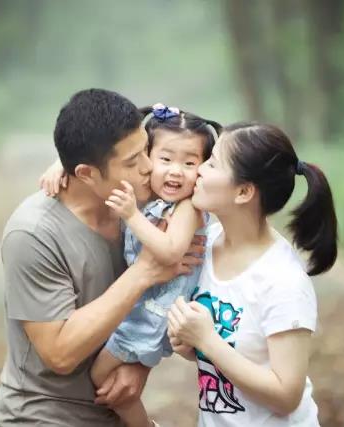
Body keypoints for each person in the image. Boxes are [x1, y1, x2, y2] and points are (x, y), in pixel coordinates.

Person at [0, 89, 204, 426]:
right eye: (133, 162)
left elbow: (201, 149)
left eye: (146, 151)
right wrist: (146, 270)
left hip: (113, 414)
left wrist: (138, 362)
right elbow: (60, 354)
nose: (150, 167)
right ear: (86, 174)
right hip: (44, 417)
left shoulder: (144, 203)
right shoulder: (33, 233)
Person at [39, 102, 222, 427]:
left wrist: (132, 215)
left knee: (102, 378)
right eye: (165, 159)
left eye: (189, 163)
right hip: (143, 306)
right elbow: (102, 151)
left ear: (204, 168)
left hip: (154, 314)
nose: (176, 171)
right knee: (110, 382)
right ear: (146, 157)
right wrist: (61, 164)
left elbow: (169, 252)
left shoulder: (186, 208)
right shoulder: (152, 194)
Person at [166, 122, 338, 426]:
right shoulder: (205, 244)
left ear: (244, 192)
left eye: (212, 163)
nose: (199, 170)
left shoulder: (283, 280)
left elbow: (286, 396)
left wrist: (207, 341)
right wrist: (192, 347)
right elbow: (238, 356)